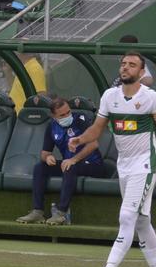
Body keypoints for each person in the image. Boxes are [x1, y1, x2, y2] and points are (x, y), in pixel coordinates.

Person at [68, 52, 156, 267]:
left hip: (145, 165)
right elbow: (97, 129)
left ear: (142, 73)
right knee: (142, 221)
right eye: (123, 64)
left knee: (127, 216)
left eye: (132, 65)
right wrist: (81, 138)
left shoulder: (151, 98)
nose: (125, 68)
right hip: (125, 165)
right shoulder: (110, 97)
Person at [15, 96, 105, 225]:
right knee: (40, 167)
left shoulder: (80, 119)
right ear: (53, 116)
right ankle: (37, 211)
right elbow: (45, 153)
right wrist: (48, 158)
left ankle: (61, 212)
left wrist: (73, 160)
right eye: (62, 115)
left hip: (93, 165)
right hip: (70, 164)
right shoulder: (51, 127)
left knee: (69, 166)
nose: (67, 115)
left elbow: (93, 144)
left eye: (68, 112)